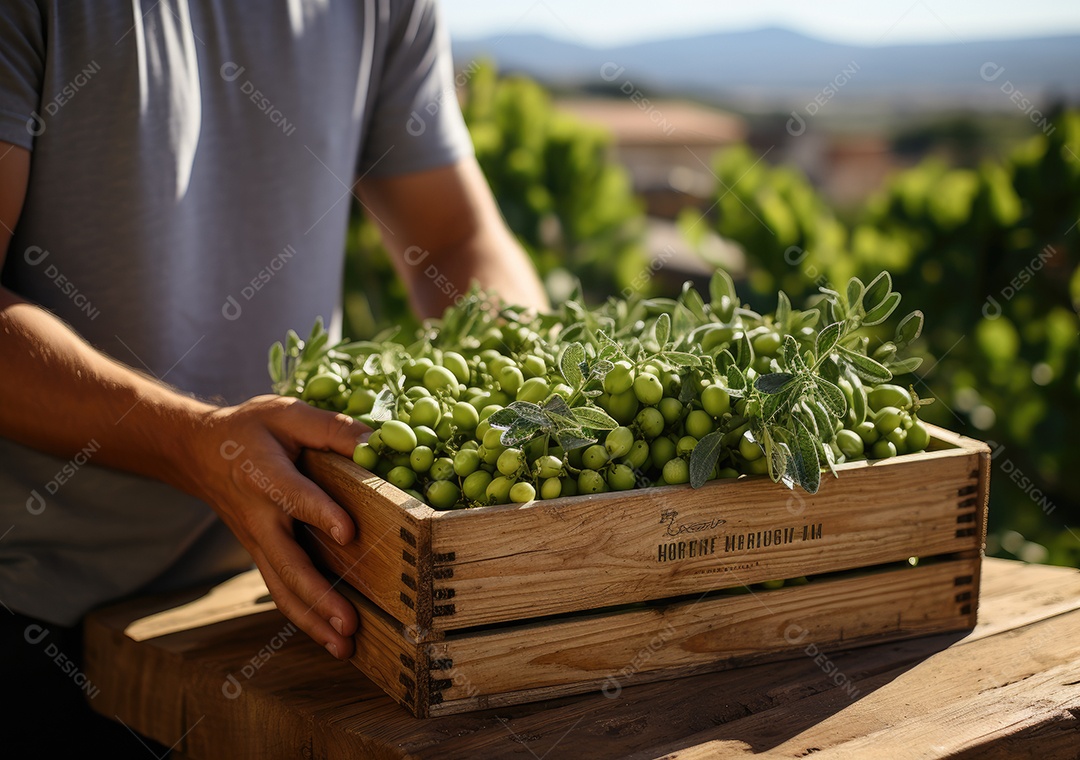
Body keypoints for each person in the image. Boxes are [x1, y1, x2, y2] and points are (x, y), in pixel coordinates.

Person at [0, 0, 548, 751]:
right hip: (47, 612)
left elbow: (455, 238)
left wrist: (537, 396)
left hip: (301, 603)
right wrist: (193, 443)